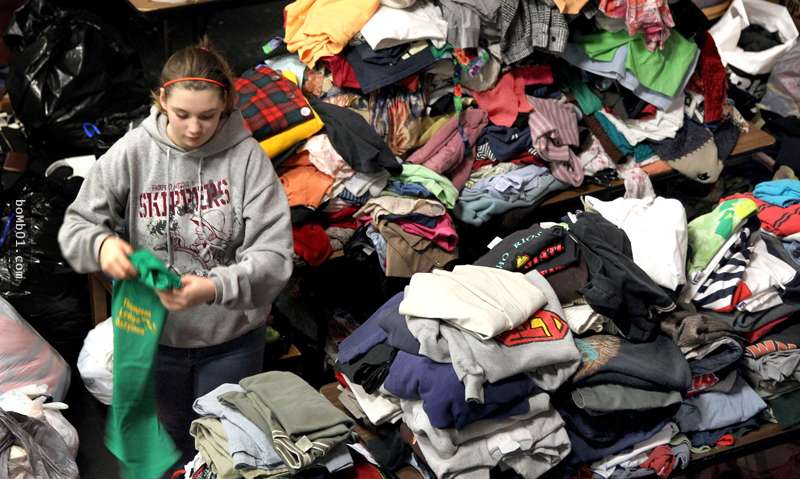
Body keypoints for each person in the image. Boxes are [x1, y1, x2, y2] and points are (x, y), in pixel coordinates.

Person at [57, 39, 294, 470]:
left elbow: (275, 259)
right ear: (161, 99)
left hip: (231, 340)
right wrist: (103, 245)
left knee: (228, 449)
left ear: (226, 106)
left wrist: (213, 287)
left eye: (208, 116)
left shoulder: (247, 159)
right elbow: (76, 228)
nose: (194, 128)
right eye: (181, 114)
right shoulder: (133, 152)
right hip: (155, 338)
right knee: (169, 447)